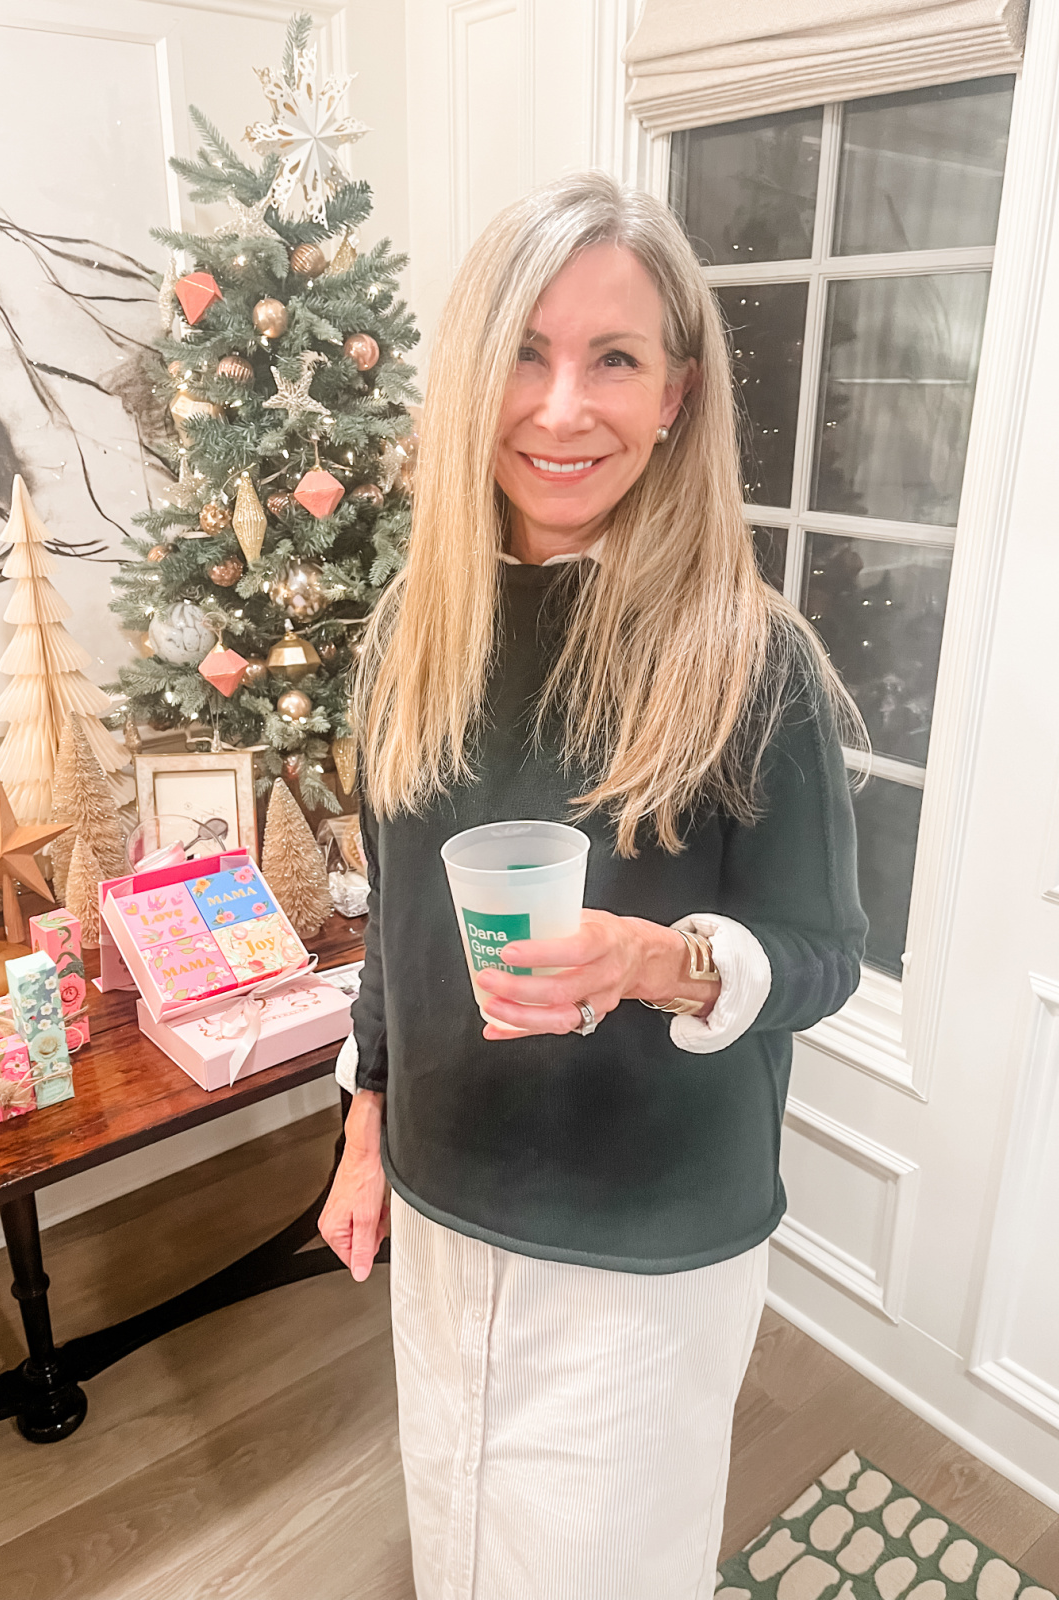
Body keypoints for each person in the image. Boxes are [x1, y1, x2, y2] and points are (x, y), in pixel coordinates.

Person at [319, 170, 867, 1600]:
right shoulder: (412, 634)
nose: (563, 410)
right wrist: (368, 1138)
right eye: (526, 353)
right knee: (460, 1533)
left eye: (613, 358)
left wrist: (658, 959)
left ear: (677, 392)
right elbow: (396, 930)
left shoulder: (757, 660)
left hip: (649, 1240)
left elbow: (820, 955)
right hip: (446, 1203)